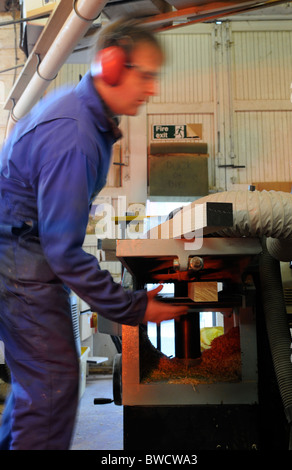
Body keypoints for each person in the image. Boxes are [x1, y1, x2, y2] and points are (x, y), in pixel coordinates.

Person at [0, 18, 188, 450]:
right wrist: (135, 306)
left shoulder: (82, 115)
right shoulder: (76, 133)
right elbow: (63, 251)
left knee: (38, 386)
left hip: (20, 257)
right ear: (110, 63)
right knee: (53, 384)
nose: (152, 89)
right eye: (146, 75)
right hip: (19, 263)